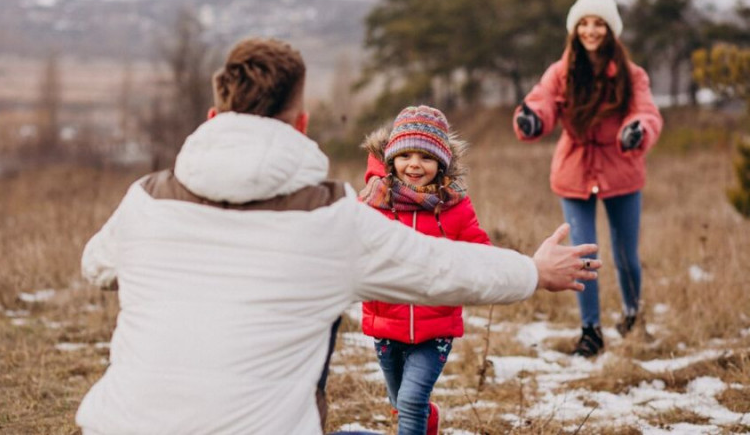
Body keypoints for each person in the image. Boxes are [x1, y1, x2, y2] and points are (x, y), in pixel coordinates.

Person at [76, 37, 601, 435]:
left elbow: (95, 267)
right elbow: (443, 268)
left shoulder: (145, 199)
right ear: (300, 123)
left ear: (214, 117)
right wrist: (534, 271)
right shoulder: (333, 218)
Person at [513, 0, 663, 358]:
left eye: (599, 23)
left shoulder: (632, 74)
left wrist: (637, 130)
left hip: (620, 168)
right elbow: (542, 101)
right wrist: (532, 119)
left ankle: (632, 316)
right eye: (584, 23)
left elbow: (647, 112)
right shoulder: (561, 72)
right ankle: (591, 330)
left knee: (626, 253)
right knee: (583, 255)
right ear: (574, 29)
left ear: (611, 29)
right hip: (575, 170)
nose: (591, 30)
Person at [358, 105, 491, 435]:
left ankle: (417, 415)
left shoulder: (455, 206)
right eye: (405, 155)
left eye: (426, 157)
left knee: (412, 400)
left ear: (441, 164)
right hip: (386, 324)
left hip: (436, 328)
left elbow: (480, 250)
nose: (414, 164)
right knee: (399, 400)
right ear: (391, 160)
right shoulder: (375, 203)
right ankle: (425, 420)